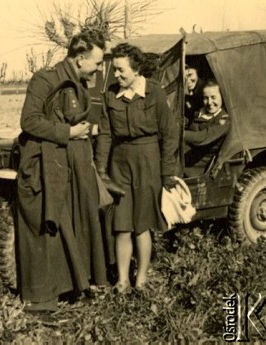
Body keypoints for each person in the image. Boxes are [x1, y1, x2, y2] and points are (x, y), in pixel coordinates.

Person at [17, 30, 109, 312]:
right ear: (80, 59)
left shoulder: (79, 81)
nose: (99, 68)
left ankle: (73, 286)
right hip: (45, 167)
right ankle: (42, 300)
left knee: (74, 225)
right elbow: (29, 121)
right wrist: (67, 132)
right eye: (97, 62)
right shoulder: (45, 79)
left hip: (68, 166)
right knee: (48, 229)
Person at [95, 43, 178, 293]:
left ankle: (141, 279)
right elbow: (106, 135)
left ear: (136, 69)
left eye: (121, 70)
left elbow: (169, 134)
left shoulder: (154, 92)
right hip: (120, 164)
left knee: (141, 225)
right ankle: (122, 280)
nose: (116, 75)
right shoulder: (110, 94)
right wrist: (102, 171)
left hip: (148, 161)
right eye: (114, 70)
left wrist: (166, 172)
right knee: (121, 225)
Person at [184, 79, 230, 169]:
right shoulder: (199, 113)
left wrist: (180, 134)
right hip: (185, 158)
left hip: (198, 167)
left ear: (222, 97)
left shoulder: (224, 120)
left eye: (213, 97)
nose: (209, 103)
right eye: (206, 98)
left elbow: (203, 137)